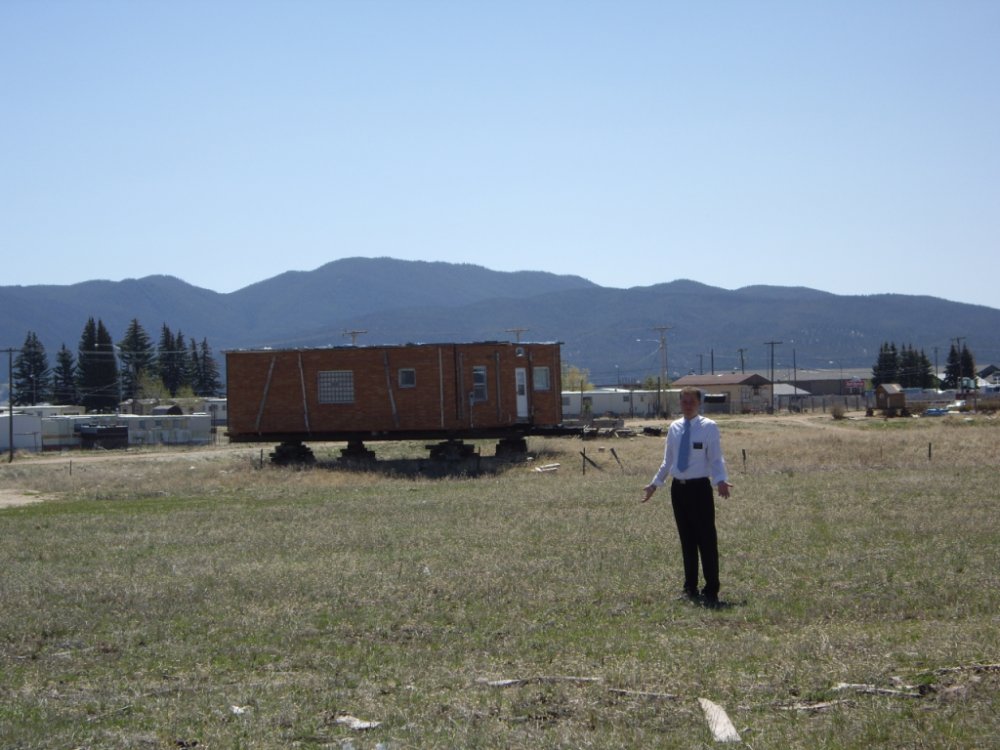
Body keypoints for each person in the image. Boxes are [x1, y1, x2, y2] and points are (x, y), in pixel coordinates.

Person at [642, 386, 733, 606]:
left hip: (699, 489)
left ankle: (711, 590)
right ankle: (690, 587)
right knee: (687, 540)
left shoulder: (709, 427)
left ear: (699, 403)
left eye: (692, 401)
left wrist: (720, 480)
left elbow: (716, 458)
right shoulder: (674, 427)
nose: (688, 405)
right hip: (679, 490)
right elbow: (668, 461)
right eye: (684, 401)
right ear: (680, 403)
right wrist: (654, 484)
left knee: (706, 540)